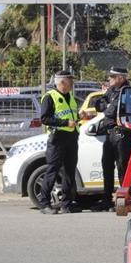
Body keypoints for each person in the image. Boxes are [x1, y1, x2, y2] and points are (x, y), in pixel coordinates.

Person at [92, 67, 131, 212]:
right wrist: (107, 105)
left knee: (122, 166)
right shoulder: (111, 90)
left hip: (122, 134)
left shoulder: (128, 91)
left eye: (112, 76)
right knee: (107, 166)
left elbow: (110, 111)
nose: (109, 79)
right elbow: (98, 105)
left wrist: (108, 106)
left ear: (121, 78)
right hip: (110, 134)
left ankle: (123, 198)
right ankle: (106, 199)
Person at [38, 71, 80, 215]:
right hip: (57, 139)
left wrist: (81, 116)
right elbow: (45, 118)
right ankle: (44, 204)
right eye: (70, 80)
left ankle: (66, 204)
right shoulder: (50, 97)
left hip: (72, 138)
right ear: (62, 82)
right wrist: (65, 122)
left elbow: (73, 115)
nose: (72, 83)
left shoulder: (71, 97)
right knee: (52, 170)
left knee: (70, 171)